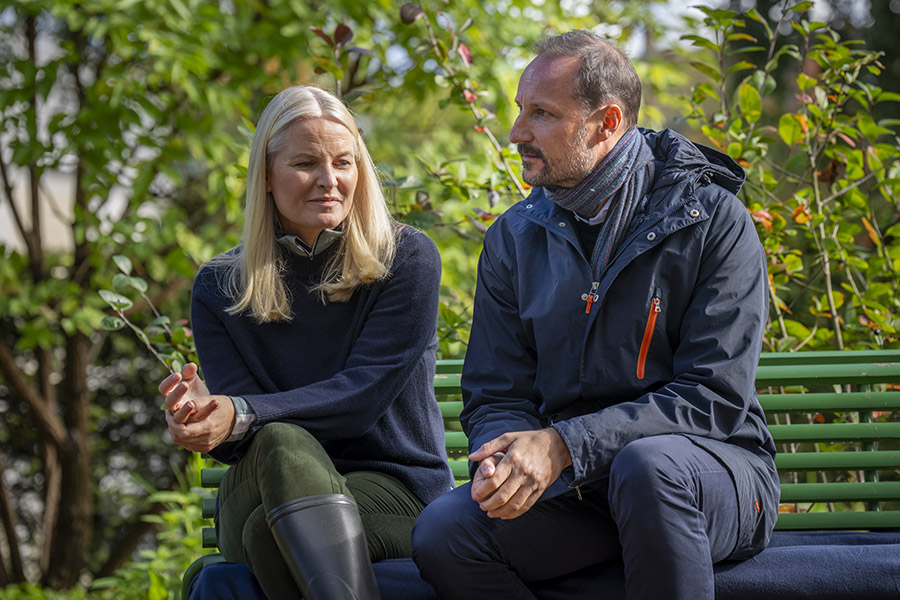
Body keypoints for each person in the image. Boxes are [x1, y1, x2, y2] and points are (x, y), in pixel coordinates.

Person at [411, 30, 779, 599]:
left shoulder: (713, 220)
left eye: (541, 114)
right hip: (580, 494)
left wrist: (562, 445)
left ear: (606, 123)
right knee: (446, 531)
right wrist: (503, 461)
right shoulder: (514, 237)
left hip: (712, 478)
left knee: (647, 467)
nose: (517, 133)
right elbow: (496, 389)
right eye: (519, 112)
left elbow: (713, 397)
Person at [158, 85, 454, 600]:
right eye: (305, 163)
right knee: (279, 442)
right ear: (266, 177)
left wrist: (243, 412)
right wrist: (206, 419)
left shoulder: (405, 259)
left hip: (394, 492)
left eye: (344, 162)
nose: (329, 180)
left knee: (266, 535)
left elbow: (360, 399)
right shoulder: (220, 285)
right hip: (258, 488)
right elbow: (240, 434)